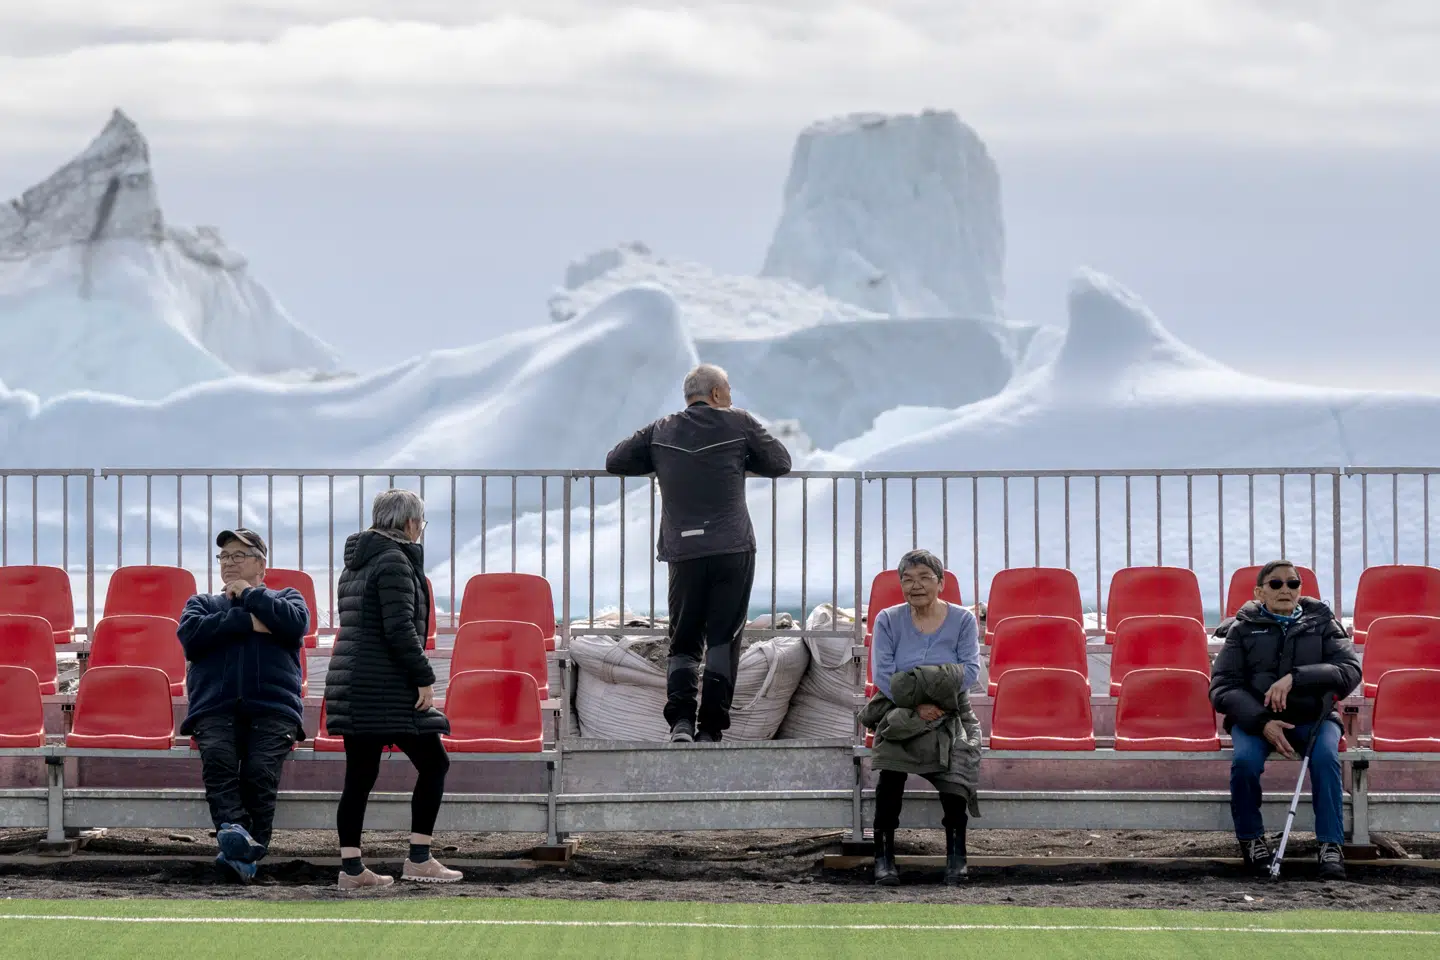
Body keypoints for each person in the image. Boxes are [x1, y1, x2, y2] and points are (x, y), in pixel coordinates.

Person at [605, 363, 792, 744]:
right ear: (718, 394)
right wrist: (741, 461)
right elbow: (780, 463)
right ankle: (710, 729)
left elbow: (615, 461)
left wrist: (661, 462)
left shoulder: (660, 429)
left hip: (684, 550)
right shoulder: (738, 422)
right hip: (732, 548)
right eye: (729, 391)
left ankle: (680, 724)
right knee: (724, 639)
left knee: (685, 638)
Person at [324, 489, 460, 889]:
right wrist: (424, 678)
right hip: (383, 685)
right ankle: (419, 857)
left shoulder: (355, 564)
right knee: (435, 763)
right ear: (410, 523)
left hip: (352, 683)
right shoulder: (395, 562)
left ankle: (351, 870)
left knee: (360, 776)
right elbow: (399, 629)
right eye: (422, 523)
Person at [1210, 559, 1361, 880]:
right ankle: (1251, 840)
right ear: (1259, 592)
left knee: (1325, 759)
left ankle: (1330, 846)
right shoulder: (1242, 628)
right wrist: (1262, 721)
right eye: (1276, 584)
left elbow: (1349, 671)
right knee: (1245, 763)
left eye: (1293, 583)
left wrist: (1296, 677)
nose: (1286, 590)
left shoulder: (1322, 622)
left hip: (1314, 717)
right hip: (1256, 721)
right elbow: (1222, 687)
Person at [178, 528, 309, 883]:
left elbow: (294, 626)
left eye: (239, 555)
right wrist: (246, 621)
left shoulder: (287, 597)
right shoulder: (202, 604)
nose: (230, 562)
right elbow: (192, 639)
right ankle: (242, 846)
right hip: (214, 709)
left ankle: (241, 853)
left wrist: (251, 596)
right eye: (224, 557)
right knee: (219, 763)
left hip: (274, 708)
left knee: (259, 774)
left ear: (261, 565)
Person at [860, 549, 982, 886]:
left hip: (950, 709)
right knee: (891, 768)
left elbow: (970, 670)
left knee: (956, 765)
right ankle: (884, 859)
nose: (916, 586)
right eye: (908, 579)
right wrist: (917, 705)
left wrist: (934, 696)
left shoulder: (963, 620)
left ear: (940, 583)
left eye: (925, 578)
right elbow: (884, 675)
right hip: (900, 708)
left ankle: (957, 858)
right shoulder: (887, 619)